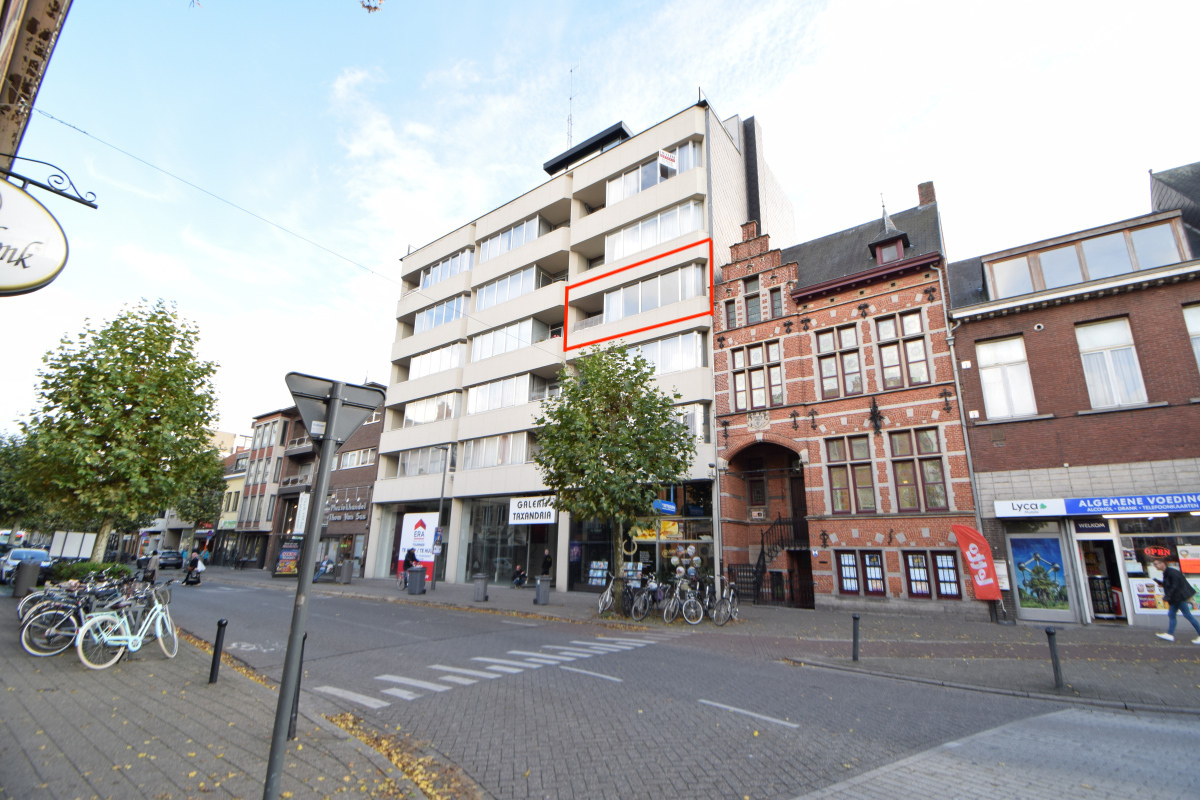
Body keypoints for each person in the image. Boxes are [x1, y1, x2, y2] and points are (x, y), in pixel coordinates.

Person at [1153, 558, 1200, 643]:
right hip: (1176, 598)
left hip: (1178, 597)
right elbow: (1172, 584)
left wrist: (1167, 596)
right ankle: (1170, 634)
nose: (1155, 566)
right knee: (1172, 614)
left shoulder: (1171, 573)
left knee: (1187, 615)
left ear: (1162, 563)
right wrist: (1162, 584)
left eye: (1156, 564)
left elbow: (1175, 586)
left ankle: (1170, 634)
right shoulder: (1168, 572)